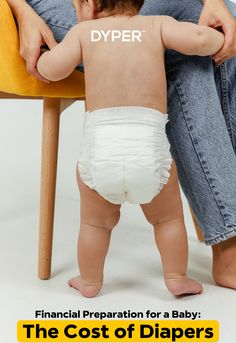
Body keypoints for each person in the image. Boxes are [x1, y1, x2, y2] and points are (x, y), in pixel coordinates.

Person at [6, 0, 236, 290]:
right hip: (151, 154)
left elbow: (51, 69)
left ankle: (89, 280)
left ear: (89, 5)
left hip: (99, 155)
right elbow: (202, 38)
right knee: (167, 221)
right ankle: (178, 276)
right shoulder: (157, 26)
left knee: (94, 225)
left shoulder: (83, 33)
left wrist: (42, 62)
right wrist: (218, 39)